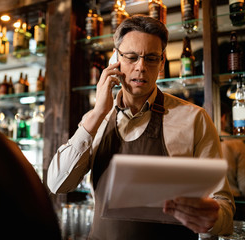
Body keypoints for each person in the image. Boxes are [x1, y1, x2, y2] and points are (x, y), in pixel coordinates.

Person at [47, 14, 235, 239]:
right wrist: (97, 113)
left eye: (151, 58)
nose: (141, 67)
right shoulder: (96, 120)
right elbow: (58, 184)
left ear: (162, 63)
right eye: (132, 57)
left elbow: (223, 206)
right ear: (115, 59)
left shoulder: (194, 119)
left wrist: (213, 219)